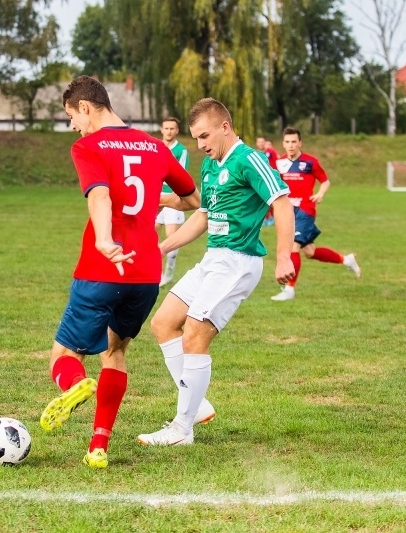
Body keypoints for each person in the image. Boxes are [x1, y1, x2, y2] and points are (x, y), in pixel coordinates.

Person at [39, 76, 200, 468]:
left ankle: (76, 384)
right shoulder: (155, 146)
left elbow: (99, 194)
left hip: (103, 268)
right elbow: (192, 198)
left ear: (86, 107)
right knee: (115, 351)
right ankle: (98, 446)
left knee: (63, 354)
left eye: (72, 117)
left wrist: (104, 238)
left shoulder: (88, 146)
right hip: (145, 274)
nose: (73, 126)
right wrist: (158, 199)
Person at [137, 98, 296, 446]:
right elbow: (203, 216)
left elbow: (282, 204)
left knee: (195, 334)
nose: (200, 144)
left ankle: (182, 429)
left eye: (205, 136)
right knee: (163, 323)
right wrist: (161, 248)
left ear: (225, 127)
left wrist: (284, 256)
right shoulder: (210, 166)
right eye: (196, 138)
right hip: (213, 260)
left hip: (238, 262)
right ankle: (197, 405)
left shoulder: (249, 159)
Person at [270, 127, 361, 302]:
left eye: (294, 142)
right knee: (310, 252)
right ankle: (346, 260)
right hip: (289, 212)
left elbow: (325, 181)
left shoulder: (310, 162)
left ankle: (289, 290)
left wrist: (320, 193)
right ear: (283, 144)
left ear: (300, 143)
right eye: (287, 142)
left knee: (293, 247)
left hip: (305, 210)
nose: (290, 145)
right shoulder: (279, 163)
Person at [157, 117, 189, 287]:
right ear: (161, 130)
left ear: (177, 131)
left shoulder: (181, 151)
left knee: (171, 238)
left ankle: (169, 273)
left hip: (173, 197)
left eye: (172, 128)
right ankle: (156, 273)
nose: (169, 131)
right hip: (156, 196)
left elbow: (181, 174)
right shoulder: (155, 147)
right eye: (166, 128)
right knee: (151, 236)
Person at [255, 137, 278, 226]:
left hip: (272, 179)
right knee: (262, 199)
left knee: (273, 198)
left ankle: (273, 217)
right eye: (259, 142)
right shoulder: (255, 154)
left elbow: (277, 163)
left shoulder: (271, 152)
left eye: (262, 142)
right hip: (260, 180)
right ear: (257, 143)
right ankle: (265, 218)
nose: (261, 144)